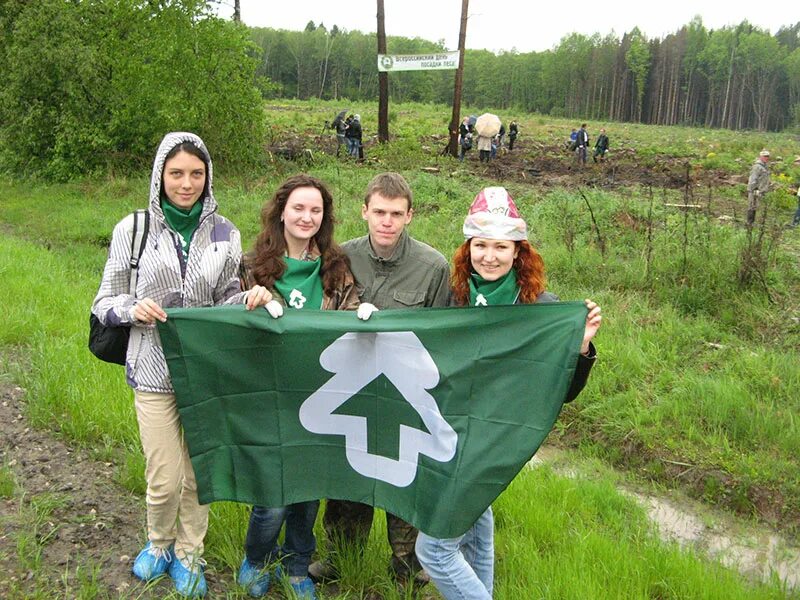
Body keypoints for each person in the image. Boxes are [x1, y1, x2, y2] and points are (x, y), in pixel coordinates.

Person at [91, 132, 271, 598]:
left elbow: (225, 300)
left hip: (207, 372)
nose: (186, 184)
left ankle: (190, 554)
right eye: (176, 174)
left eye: (196, 173)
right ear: (159, 177)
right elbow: (104, 302)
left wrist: (248, 297)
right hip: (152, 369)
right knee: (165, 475)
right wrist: (134, 309)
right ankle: (159, 544)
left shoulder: (225, 232)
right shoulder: (132, 230)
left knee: (197, 474)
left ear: (207, 177)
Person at [415, 186, 601, 600]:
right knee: (475, 530)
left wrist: (581, 346)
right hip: (452, 434)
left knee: (434, 549)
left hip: (495, 442)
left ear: (518, 251)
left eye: (501, 246)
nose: (490, 256)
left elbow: (562, 393)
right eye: (481, 245)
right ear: (468, 249)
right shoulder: (455, 298)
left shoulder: (539, 308)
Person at [236, 174, 374, 600]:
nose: (306, 217)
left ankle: (298, 566)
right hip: (270, 395)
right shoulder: (251, 265)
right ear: (281, 211)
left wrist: (366, 311)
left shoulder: (336, 267)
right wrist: (251, 304)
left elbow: (351, 318)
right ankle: (257, 559)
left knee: (308, 492)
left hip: (321, 396)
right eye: (299, 208)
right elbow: (232, 324)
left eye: (315, 210)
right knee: (274, 497)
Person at [309, 172, 451, 587]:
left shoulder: (432, 266)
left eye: (396, 214)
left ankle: (407, 563)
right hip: (351, 384)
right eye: (379, 213)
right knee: (347, 476)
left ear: (409, 215)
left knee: (404, 476)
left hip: (405, 390)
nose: (386, 222)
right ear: (365, 212)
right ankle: (340, 557)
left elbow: (442, 335)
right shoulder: (341, 257)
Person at [747, 149, 771, 225]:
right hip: (755, 190)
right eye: (765, 156)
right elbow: (753, 179)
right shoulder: (757, 166)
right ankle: (749, 222)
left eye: (767, 156)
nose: (766, 158)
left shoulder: (765, 166)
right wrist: (754, 189)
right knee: (752, 206)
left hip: (760, 190)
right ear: (760, 157)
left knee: (755, 206)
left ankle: (752, 222)